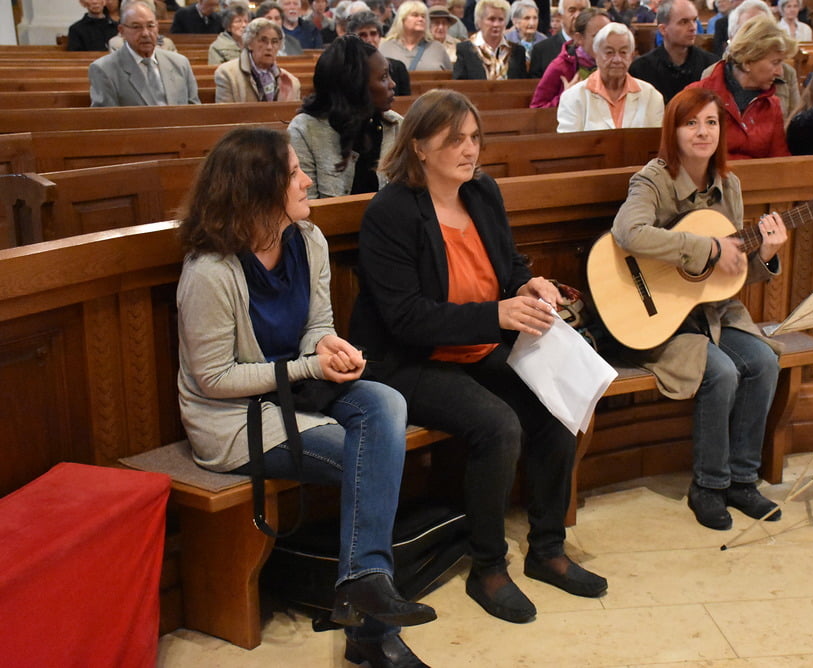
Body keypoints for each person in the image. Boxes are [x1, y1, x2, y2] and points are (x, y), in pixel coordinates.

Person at [176, 127, 435, 668]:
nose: (308, 181)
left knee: (385, 403)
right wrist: (310, 365)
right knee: (367, 453)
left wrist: (329, 348)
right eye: (294, 173)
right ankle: (372, 624)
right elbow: (214, 380)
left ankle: (361, 586)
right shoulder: (210, 272)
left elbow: (317, 324)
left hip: (299, 390)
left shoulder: (307, 239)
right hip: (234, 417)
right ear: (258, 189)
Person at [352, 89, 609, 624]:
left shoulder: (482, 192)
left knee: (556, 405)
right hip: (409, 360)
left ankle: (547, 549)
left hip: (476, 344)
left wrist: (527, 284)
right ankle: (488, 567)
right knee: (498, 424)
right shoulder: (391, 211)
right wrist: (498, 314)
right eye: (455, 140)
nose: (470, 150)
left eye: (474, 138)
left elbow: (507, 266)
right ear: (419, 147)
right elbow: (406, 319)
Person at [611, 87, 786, 531]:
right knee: (721, 372)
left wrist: (764, 255)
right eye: (691, 123)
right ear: (673, 130)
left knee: (764, 362)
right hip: (659, 316)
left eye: (711, 122)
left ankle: (742, 480)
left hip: (714, 311)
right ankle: (708, 486)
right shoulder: (652, 179)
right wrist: (706, 247)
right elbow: (629, 233)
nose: (702, 132)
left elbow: (731, 271)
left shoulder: (730, 185)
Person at [289, 36, 400, 198]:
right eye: (383, 77)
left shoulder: (397, 125)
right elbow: (307, 204)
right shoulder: (305, 130)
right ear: (356, 86)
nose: (392, 84)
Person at [687, 14, 792, 159]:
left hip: (759, 174)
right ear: (747, 62)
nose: (780, 72)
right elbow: (683, 155)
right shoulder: (696, 96)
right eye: (775, 63)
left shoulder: (772, 105)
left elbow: (780, 161)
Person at [557, 22, 665, 131]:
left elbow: (656, 140)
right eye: (609, 52)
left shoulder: (651, 96)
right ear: (596, 54)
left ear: (631, 56)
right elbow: (569, 141)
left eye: (623, 52)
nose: (617, 59)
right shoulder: (573, 97)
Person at [89, 1, 200, 106]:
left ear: (157, 27)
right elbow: (106, 117)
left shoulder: (180, 63)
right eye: (136, 27)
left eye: (150, 26)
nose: (145, 33)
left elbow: (195, 110)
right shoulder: (104, 69)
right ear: (122, 31)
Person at [629, 0, 719, 105]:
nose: (693, 27)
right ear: (663, 29)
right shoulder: (641, 69)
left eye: (694, 20)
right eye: (684, 22)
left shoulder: (712, 65)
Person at [529, 7, 609, 108]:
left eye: (608, 36)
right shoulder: (560, 66)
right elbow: (537, 108)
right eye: (597, 36)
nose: (606, 42)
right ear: (579, 38)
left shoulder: (614, 63)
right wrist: (566, 97)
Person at [214, 17, 302, 102]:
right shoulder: (227, 74)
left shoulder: (292, 83)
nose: (269, 47)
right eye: (263, 40)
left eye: (274, 42)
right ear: (249, 43)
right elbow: (225, 111)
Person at [453, 0, 528, 79]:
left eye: (501, 19)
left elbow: (523, 84)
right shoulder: (465, 50)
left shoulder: (518, 51)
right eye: (491, 19)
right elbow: (459, 84)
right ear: (479, 21)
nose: (496, 24)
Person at [349, 10, 412, 95]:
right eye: (362, 35)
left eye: (373, 34)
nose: (369, 40)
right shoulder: (348, 69)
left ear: (379, 37)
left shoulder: (397, 68)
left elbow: (405, 100)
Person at [379, 1, 453, 71]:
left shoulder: (437, 48)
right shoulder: (386, 47)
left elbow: (451, 76)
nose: (420, 19)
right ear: (402, 19)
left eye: (423, 16)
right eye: (415, 15)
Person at [529, 0, 588, 77]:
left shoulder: (596, 47)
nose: (578, 15)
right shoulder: (541, 50)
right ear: (561, 16)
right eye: (572, 10)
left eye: (583, 11)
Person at [505, 0, 546, 65]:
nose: (532, 23)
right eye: (527, 18)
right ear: (515, 22)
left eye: (535, 18)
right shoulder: (506, 41)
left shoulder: (544, 41)